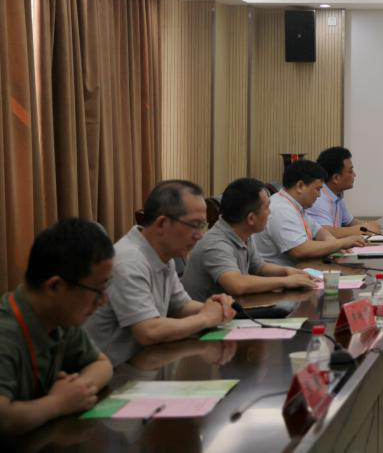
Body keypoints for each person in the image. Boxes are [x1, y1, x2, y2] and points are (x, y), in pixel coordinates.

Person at [85, 180, 236, 367]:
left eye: (202, 225)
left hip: (147, 364)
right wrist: (204, 318)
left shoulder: (164, 255)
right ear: (162, 223)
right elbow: (149, 331)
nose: (200, 235)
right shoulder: (129, 261)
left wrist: (216, 307)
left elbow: (180, 306)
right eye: (194, 225)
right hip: (114, 375)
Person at [0, 219, 115, 435]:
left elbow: (102, 365)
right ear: (55, 286)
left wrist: (77, 391)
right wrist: (58, 403)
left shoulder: (60, 318)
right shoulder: (6, 333)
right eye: (97, 290)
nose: (103, 301)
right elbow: (4, 419)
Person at [181, 177, 316, 301]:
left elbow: (259, 267)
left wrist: (287, 272)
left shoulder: (242, 232)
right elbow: (237, 285)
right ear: (251, 218)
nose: (270, 212)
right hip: (206, 317)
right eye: (267, 208)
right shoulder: (216, 244)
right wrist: (285, 281)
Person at [253, 160, 366, 267]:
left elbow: (319, 231)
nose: (319, 195)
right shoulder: (281, 209)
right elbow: (300, 250)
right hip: (279, 277)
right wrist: (341, 243)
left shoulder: (294, 205)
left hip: (299, 270)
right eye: (317, 189)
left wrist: (334, 244)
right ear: (300, 186)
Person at [307, 146, 379, 236]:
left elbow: (352, 222)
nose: (354, 175)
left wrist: (372, 225)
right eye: (350, 171)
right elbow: (326, 233)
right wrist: (365, 229)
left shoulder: (337, 196)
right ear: (336, 178)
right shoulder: (318, 198)